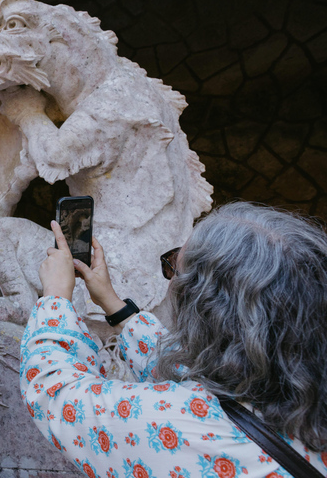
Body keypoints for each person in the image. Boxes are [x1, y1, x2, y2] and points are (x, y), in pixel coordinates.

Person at [20, 202, 327, 476]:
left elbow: (55, 392)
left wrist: (56, 297)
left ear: (204, 309)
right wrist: (114, 305)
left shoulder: (170, 428)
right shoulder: (301, 393)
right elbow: (198, 375)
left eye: (173, 269)